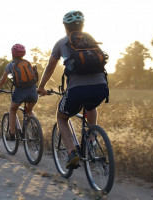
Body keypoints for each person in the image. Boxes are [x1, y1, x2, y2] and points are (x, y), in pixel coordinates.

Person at [37, 11, 109, 169]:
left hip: (76, 90)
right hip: (101, 87)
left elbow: (50, 67)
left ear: (65, 27)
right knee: (91, 106)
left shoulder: (61, 43)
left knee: (62, 117)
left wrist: (41, 87)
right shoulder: (90, 39)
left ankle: (72, 152)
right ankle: (91, 139)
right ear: (82, 25)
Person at [0, 44, 38, 141]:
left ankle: (12, 133)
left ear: (12, 53)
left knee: (13, 109)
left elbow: (3, 80)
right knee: (29, 110)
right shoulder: (27, 63)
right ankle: (36, 129)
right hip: (33, 91)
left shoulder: (10, 65)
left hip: (20, 91)